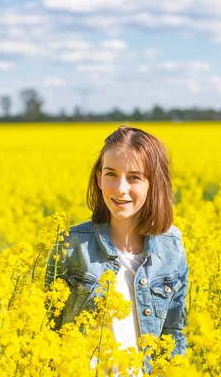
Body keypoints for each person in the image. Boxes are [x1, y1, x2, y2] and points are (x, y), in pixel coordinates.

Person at [44, 125, 189, 361]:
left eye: (134, 177)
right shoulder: (71, 245)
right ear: (99, 178)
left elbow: (176, 333)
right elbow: (47, 327)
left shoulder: (171, 246)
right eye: (111, 174)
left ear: (153, 183)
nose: (120, 189)